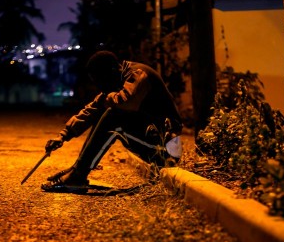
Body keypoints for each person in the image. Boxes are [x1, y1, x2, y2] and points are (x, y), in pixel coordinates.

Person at [41, 50, 183, 190]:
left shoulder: (138, 74)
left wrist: (106, 99)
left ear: (113, 70)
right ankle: (77, 170)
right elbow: (92, 110)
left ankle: (78, 174)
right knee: (107, 112)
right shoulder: (117, 80)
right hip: (154, 143)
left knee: (112, 117)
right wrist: (63, 135)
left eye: (100, 81)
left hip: (168, 151)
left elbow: (126, 102)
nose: (100, 86)